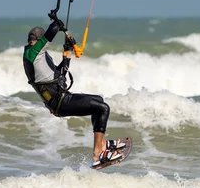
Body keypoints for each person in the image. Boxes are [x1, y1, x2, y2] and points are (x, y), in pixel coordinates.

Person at [23, 15, 125, 166]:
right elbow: (53, 30)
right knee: (103, 109)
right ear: (38, 40)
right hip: (61, 102)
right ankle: (98, 153)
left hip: (61, 99)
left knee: (99, 100)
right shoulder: (33, 53)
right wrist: (57, 21)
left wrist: (67, 50)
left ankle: (101, 143)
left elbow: (60, 74)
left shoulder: (38, 58)